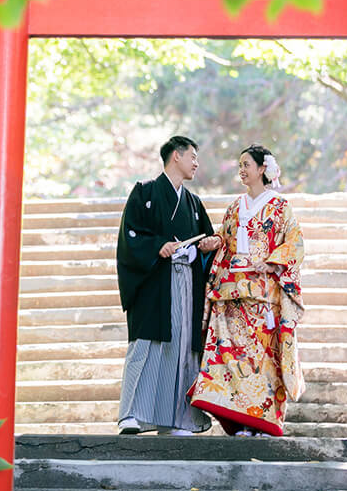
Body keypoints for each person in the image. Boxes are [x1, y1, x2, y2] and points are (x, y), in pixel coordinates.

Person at [188, 144, 305, 437]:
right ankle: (240, 421)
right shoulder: (234, 207)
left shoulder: (280, 207)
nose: (241, 170)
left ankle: (262, 421)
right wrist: (214, 242)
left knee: (263, 361)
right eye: (239, 165)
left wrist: (273, 262)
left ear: (263, 168)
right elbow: (225, 237)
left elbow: (294, 242)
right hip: (231, 294)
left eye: (246, 165)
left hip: (263, 296)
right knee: (233, 358)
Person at [115, 136, 222, 436]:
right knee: (147, 344)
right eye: (193, 157)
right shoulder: (144, 193)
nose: (196, 163)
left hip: (186, 281)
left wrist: (209, 246)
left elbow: (205, 240)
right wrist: (157, 246)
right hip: (154, 283)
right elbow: (131, 236)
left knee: (182, 347)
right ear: (176, 156)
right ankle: (131, 414)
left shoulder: (194, 203)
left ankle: (177, 419)